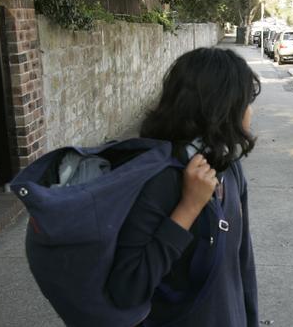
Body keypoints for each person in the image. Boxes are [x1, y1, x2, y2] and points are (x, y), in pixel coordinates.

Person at [106, 48, 261, 327]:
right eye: (246, 101)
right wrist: (188, 208)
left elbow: (242, 264)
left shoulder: (229, 168)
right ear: (222, 107)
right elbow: (127, 287)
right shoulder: (159, 180)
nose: (251, 110)